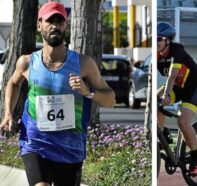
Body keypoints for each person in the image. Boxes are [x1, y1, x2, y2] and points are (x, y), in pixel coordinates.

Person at [0, 2, 115, 186]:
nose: (55, 25)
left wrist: (88, 92)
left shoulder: (83, 63)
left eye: (60, 21)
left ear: (66, 26)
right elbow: (13, 83)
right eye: (50, 21)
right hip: (35, 142)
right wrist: (8, 114)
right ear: (39, 25)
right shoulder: (27, 62)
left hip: (70, 147)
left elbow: (110, 99)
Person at [157, 22, 197, 176]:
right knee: (154, 101)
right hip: (179, 87)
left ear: (168, 40)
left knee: (182, 121)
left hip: (196, 87)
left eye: (159, 39)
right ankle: (164, 132)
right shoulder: (157, 55)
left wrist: (166, 95)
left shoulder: (177, 50)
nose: (155, 42)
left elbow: (172, 76)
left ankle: (195, 157)